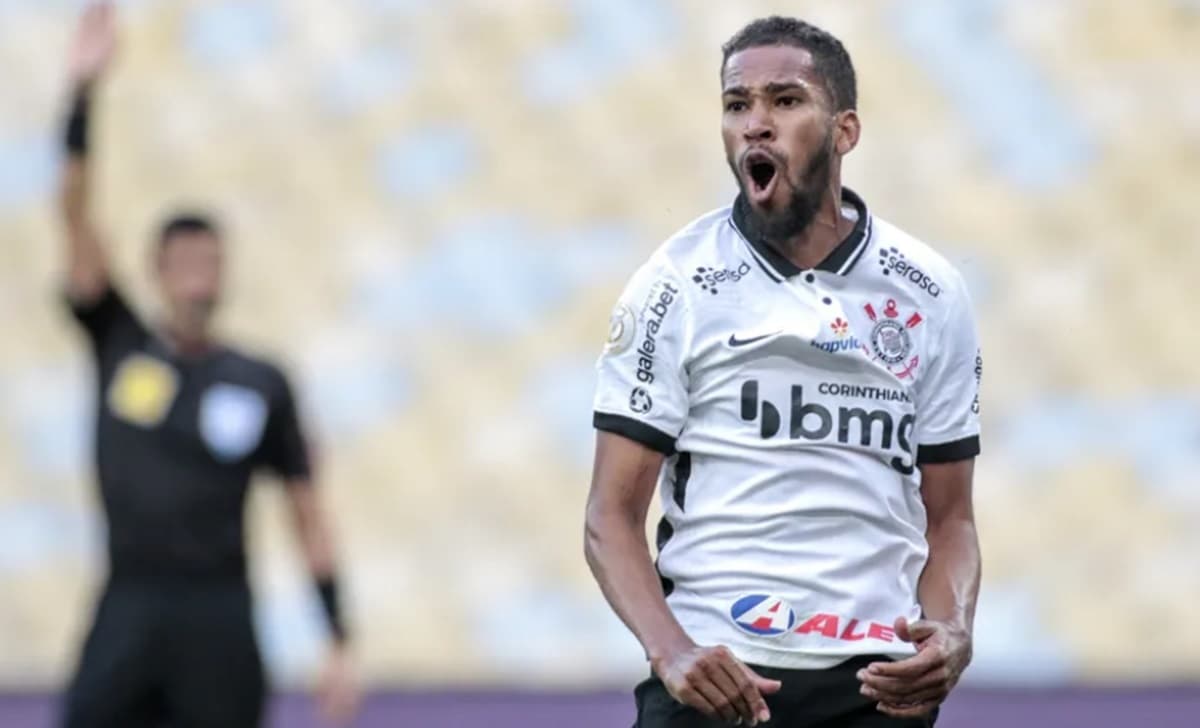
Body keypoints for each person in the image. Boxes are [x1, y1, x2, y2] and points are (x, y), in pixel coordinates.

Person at [585, 16, 982, 728]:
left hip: (876, 687)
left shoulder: (928, 292)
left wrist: (950, 627)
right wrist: (670, 651)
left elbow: (950, 515)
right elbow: (609, 517)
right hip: (719, 681)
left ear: (845, 131)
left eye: (786, 100)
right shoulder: (675, 285)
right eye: (738, 105)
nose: (756, 125)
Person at [55, 4, 357, 727]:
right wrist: (80, 97)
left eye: (210, 260)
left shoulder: (259, 380)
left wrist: (337, 636)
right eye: (184, 260)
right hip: (130, 597)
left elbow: (306, 510)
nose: (199, 272)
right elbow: (73, 217)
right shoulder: (120, 344)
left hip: (219, 607)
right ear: (157, 271)